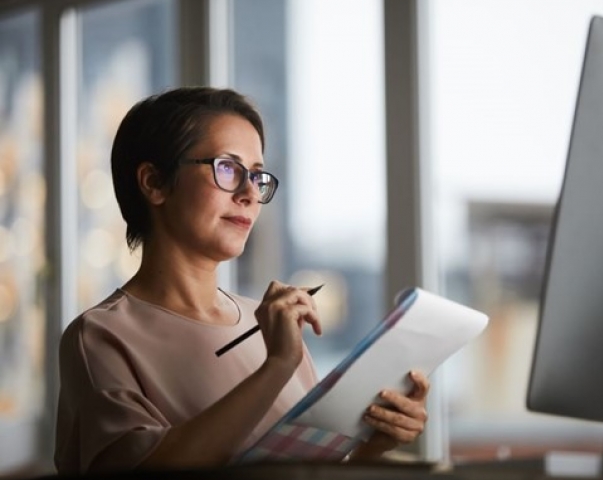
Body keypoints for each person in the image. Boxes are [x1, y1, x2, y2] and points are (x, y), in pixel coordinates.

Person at [54, 86, 430, 474]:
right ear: (154, 182)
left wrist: (373, 447)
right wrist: (277, 366)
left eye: (257, 175)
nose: (251, 193)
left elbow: (307, 470)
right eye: (228, 168)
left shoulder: (267, 323)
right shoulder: (100, 337)